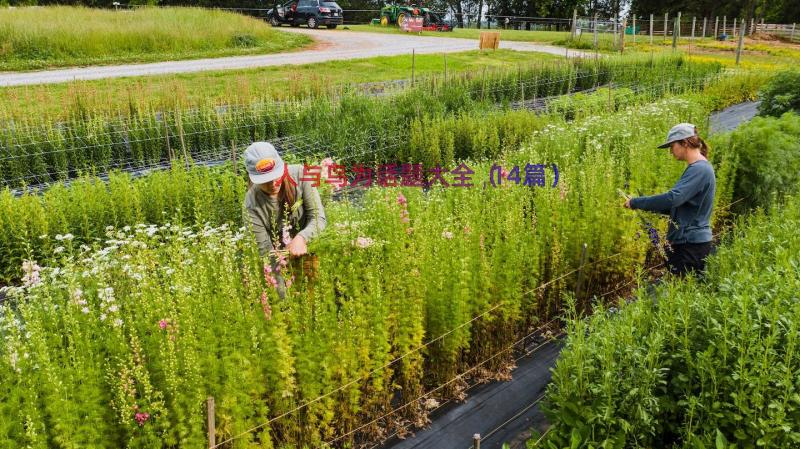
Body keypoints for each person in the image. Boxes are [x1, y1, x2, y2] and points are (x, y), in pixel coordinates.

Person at [624, 123, 716, 277]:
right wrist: (643, 206)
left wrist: (636, 202)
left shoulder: (699, 169)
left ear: (684, 143)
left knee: (685, 293)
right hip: (690, 244)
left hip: (690, 245)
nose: (670, 152)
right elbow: (678, 205)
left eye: (672, 146)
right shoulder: (698, 168)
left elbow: (673, 198)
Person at [243, 142, 326, 299]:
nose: (274, 184)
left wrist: (302, 238)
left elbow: (318, 218)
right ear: (253, 179)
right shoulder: (251, 205)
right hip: (279, 260)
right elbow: (265, 252)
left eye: (276, 176)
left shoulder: (301, 175)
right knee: (284, 299)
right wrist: (282, 293)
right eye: (265, 181)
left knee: (315, 293)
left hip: (309, 247)